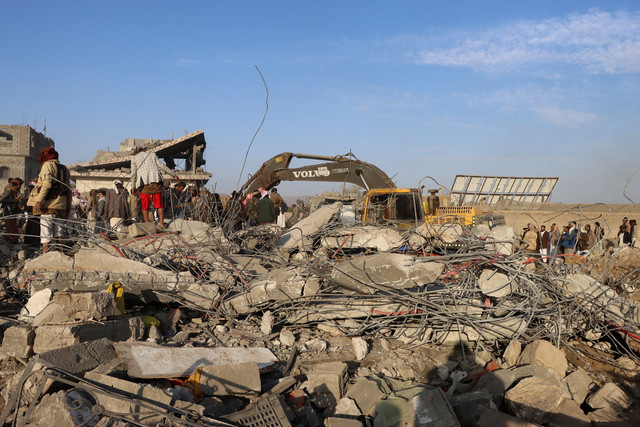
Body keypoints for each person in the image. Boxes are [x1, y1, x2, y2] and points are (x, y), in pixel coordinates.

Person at [26, 147, 71, 253]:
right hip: (61, 206)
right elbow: (68, 190)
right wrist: (68, 207)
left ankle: (45, 254)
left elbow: (46, 184)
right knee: (59, 232)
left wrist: (38, 201)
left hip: (48, 205)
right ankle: (60, 254)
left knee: (45, 232)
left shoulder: (47, 165)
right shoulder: (65, 168)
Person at [130, 147, 177, 226]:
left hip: (144, 184)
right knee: (159, 204)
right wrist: (173, 174)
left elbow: (133, 174)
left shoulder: (134, 158)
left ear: (136, 152)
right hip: (156, 182)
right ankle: (161, 223)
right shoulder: (152, 155)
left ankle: (147, 223)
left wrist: (133, 187)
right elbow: (161, 166)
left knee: (145, 205)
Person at [1, 178, 23, 243]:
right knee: (10, 228)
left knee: (14, 227)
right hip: (8, 212)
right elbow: (2, 200)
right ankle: (9, 242)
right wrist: (13, 201)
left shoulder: (16, 192)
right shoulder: (9, 191)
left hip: (13, 212)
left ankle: (13, 242)